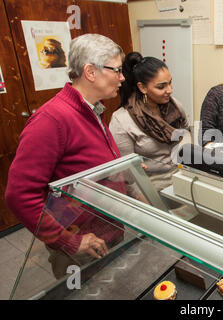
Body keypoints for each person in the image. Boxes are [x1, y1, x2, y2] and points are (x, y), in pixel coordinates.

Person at [5, 33, 125, 279]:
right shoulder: (51, 120)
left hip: (108, 230)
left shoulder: (95, 109)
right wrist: (68, 241)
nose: (123, 78)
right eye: (117, 70)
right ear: (91, 72)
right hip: (81, 244)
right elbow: (19, 195)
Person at [109, 52, 189, 192]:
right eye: (161, 87)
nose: (169, 90)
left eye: (170, 83)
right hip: (150, 190)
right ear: (142, 87)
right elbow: (128, 176)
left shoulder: (174, 106)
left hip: (181, 180)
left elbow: (186, 133)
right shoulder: (122, 120)